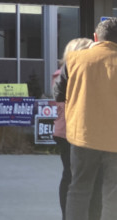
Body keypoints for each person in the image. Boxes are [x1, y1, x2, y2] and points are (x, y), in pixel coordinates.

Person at [55, 17, 117, 220]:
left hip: (83, 135)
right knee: (112, 193)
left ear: (96, 37)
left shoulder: (74, 60)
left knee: (79, 188)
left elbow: (58, 94)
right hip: (114, 139)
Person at [52, 38, 99, 220]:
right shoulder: (73, 73)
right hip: (72, 132)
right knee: (75, 177)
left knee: (70, 175)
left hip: (64, 131)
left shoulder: (61, 73)